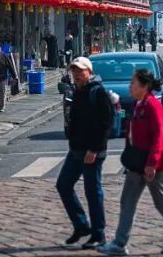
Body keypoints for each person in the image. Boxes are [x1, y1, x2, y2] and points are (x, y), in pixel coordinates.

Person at [97, 69, 163, 256]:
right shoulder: (139, 104)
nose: (130, 86)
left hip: (153, 163)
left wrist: (152, 163)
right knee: (127, 200)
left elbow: (159, 135)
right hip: (138, 162)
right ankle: (120, 243)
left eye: (133, 83)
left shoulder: (153, 106)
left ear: (144, 86)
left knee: (160, 200)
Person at [57, 56, 113, 249]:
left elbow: (106, 123)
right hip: (77, 150)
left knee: (93, 191)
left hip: (92, 151)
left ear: (89, 72)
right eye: (74, 71)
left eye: (80, 71)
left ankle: (99, 234)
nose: (77, 75)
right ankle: (81, 225)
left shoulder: (97, 91)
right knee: (63, 185)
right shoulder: (77, 91)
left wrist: (94, 149)